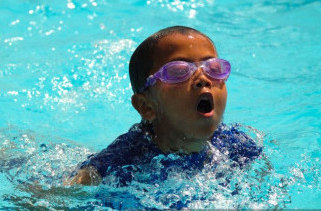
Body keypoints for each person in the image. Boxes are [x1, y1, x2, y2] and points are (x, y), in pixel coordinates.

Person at [70, 26, 262, 186]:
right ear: (146, 107)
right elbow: (59, 199)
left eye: (214, 68)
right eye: (179, 71)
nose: (203, 79)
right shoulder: (119, 163)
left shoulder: (238, 148)